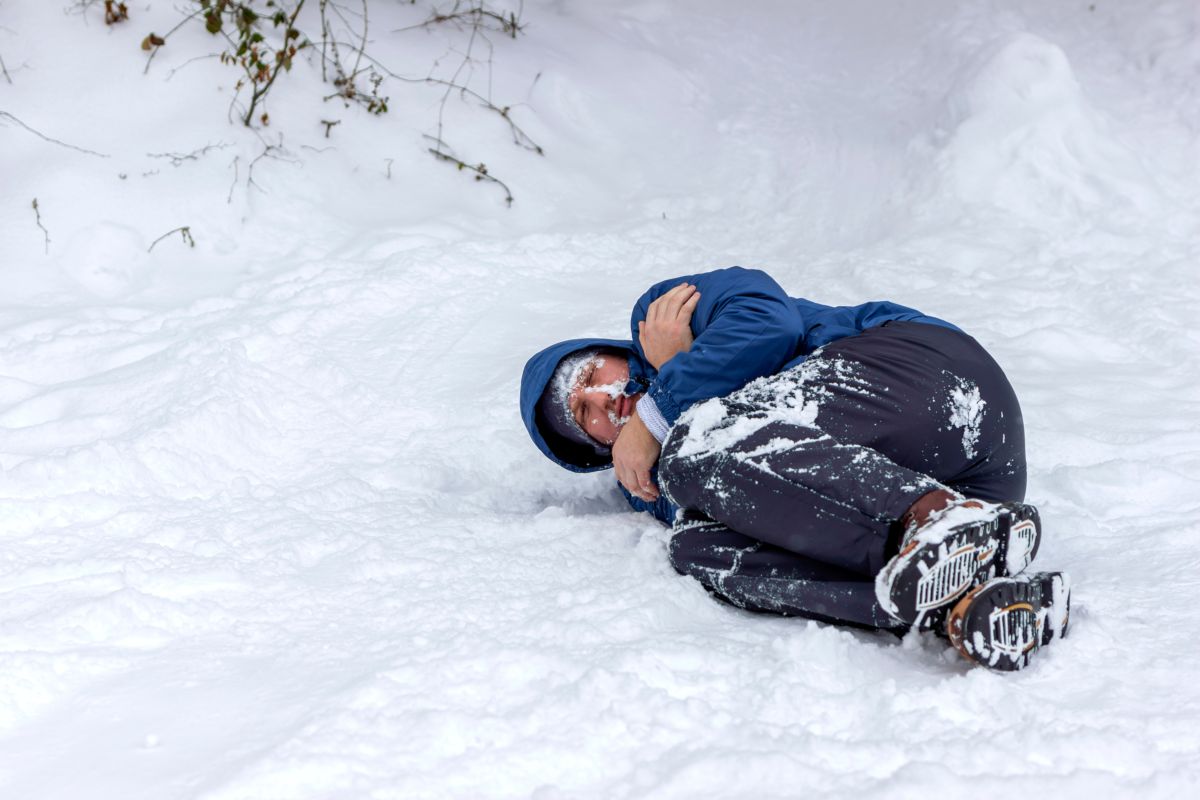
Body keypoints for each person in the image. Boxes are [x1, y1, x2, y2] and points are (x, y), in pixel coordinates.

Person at [520, 267, 1069, 671]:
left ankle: (931, 518)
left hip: (923, 374)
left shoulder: (664, 312)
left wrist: (663, 402)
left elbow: (767, 321)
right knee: (700, 548)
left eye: (592, 373)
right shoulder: (655, 478)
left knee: (695, 448)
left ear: (609, 350)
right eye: (584, 413)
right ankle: (959, 602)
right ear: (596, 448)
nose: (604, 396)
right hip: (976, 488)